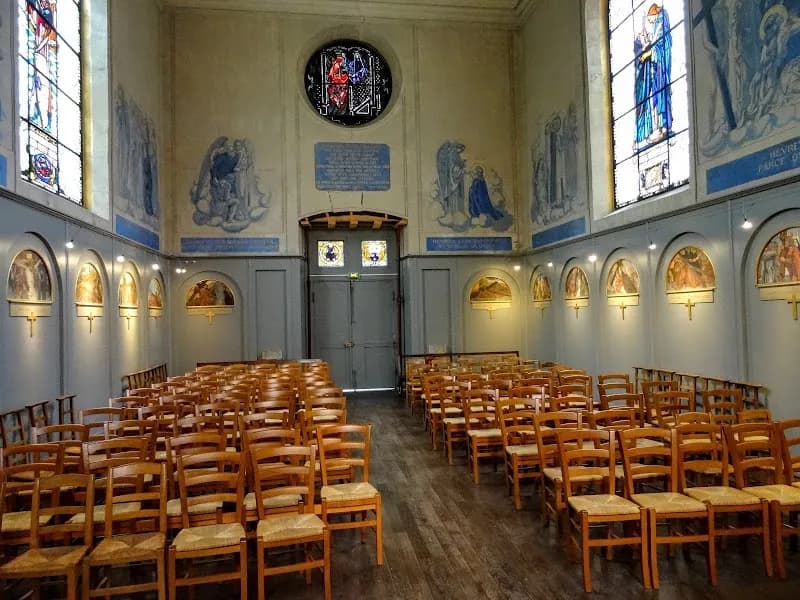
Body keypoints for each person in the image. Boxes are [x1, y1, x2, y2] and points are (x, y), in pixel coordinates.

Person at [634, 3, 673, 146]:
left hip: (661, 71)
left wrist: (648, 53)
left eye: (650, 18)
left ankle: (664, 127)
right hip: (654, 71)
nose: (650, 21)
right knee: (653, 98)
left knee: (661, 97)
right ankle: (657, 128)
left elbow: (662, 46)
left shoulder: (662, 26)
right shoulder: (656, 28)